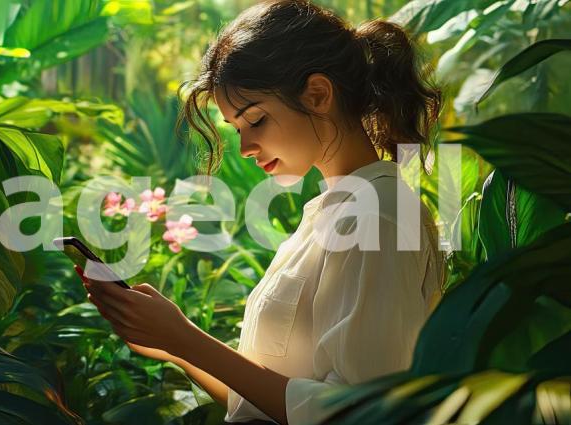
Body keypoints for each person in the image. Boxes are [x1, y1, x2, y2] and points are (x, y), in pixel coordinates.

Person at [75, 1, 445, 423]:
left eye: (256, 120)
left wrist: (185, 339)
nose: (246, 148)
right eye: (237, 129)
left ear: (318, 95)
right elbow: (259, 405)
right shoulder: (334, 213)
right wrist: (172, 345)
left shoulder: (379, 215)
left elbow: (361, 412)